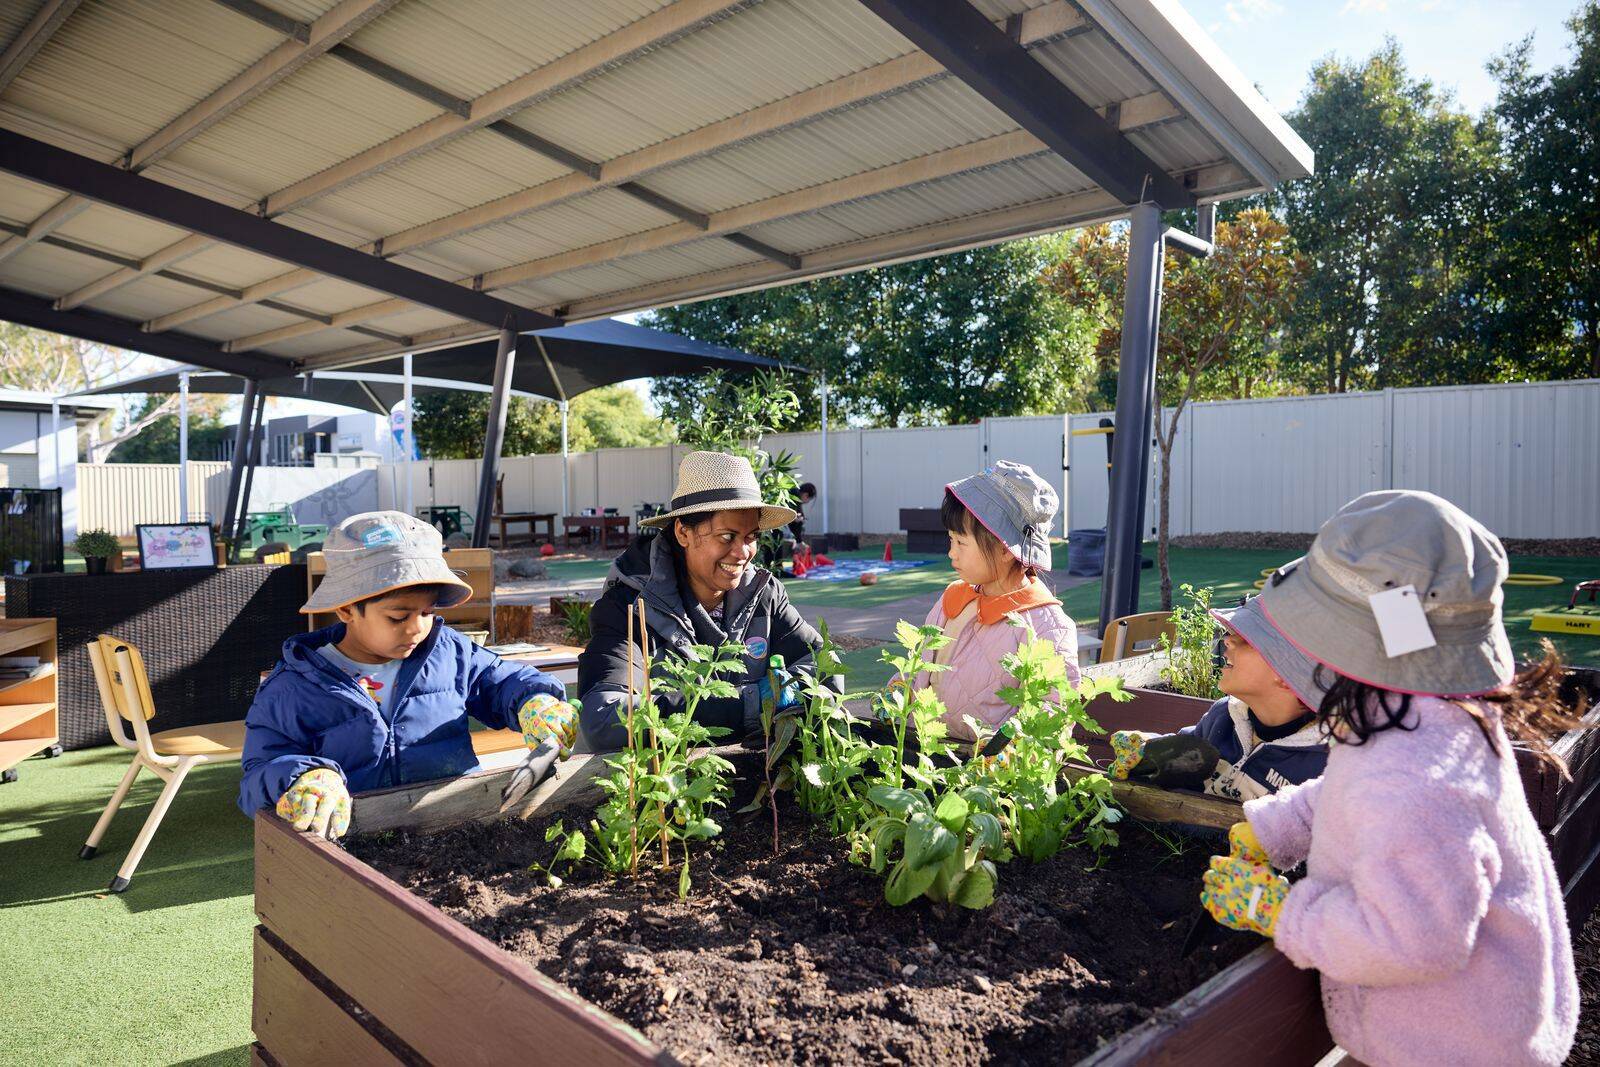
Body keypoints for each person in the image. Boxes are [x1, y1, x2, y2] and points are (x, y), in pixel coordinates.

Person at [1199, 490, 1579, 1066]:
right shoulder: (1422, 711)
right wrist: (1277, 825)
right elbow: (1355, 790)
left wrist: (1276, 910)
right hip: (1449, 1022)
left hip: (1460, 1045)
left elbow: (1412, 940)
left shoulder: (1416, 775)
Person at [238, 512, 574, 839]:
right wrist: (302, 777)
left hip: (458, 825)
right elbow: (258, 774)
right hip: (353, 841)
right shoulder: (293, 687)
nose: (417, 627)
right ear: (346, 609)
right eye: (398, 617)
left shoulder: (447, 652)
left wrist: (535, 700)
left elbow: (500, 680)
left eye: (428, 612)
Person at [577, 451, 829, 750]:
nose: (743, 552)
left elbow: (823, 666)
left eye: (750, 536)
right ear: (683, 531)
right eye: (726, 537)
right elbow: (605, 718)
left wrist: (793, 688)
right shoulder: (628, 608)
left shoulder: (765, 594)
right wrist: (754, 704)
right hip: (662, 791)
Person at [910, 461, 1079, 742]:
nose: (951, 553)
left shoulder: (1046, 625)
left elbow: (1054, 709)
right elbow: (919, 666)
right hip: (927, 756)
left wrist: (1005, 752)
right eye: (950, 540)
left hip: (990, 776)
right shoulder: (952, 599)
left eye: (961, 543)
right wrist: (898, 690)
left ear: (1005, 549)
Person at [1107, 597, 1327, 798]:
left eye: (1248, 639)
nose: (1228, 640)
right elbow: (1187, 752)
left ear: (1287, 674)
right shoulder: (1223, 716)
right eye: (1232, 632)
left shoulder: (1322, 765)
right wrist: (1146, 749)